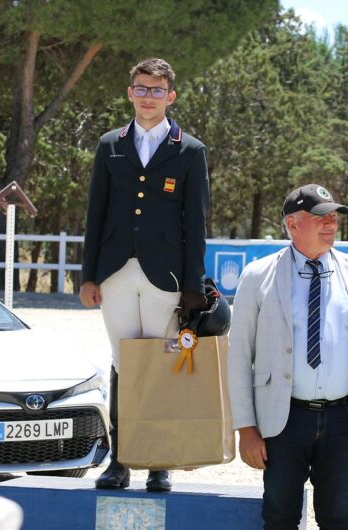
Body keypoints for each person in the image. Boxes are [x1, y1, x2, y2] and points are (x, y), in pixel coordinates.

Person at [227, 184, 348, 529]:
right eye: (320, 216)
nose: (331, 223)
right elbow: (239, 357)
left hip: (343, 420)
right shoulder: (258, 276)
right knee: (280, 517)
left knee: (338, 518)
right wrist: (247, 429)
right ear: (293, 225)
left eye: (334, 215)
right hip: (283, 420)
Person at [79, 57, 210, 492]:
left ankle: (158, 461)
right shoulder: (109, 144)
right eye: (141, 88)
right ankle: (120, 460)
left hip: (165, 276)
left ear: (170, 96)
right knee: (123, 366)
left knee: (161, 365)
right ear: (129, 91)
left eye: (157, 90)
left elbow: (197, 222)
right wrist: (88, 276)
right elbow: (95, 214)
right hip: (115, 272)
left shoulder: (189, 150)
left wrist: (193, 287)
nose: (148, 96)